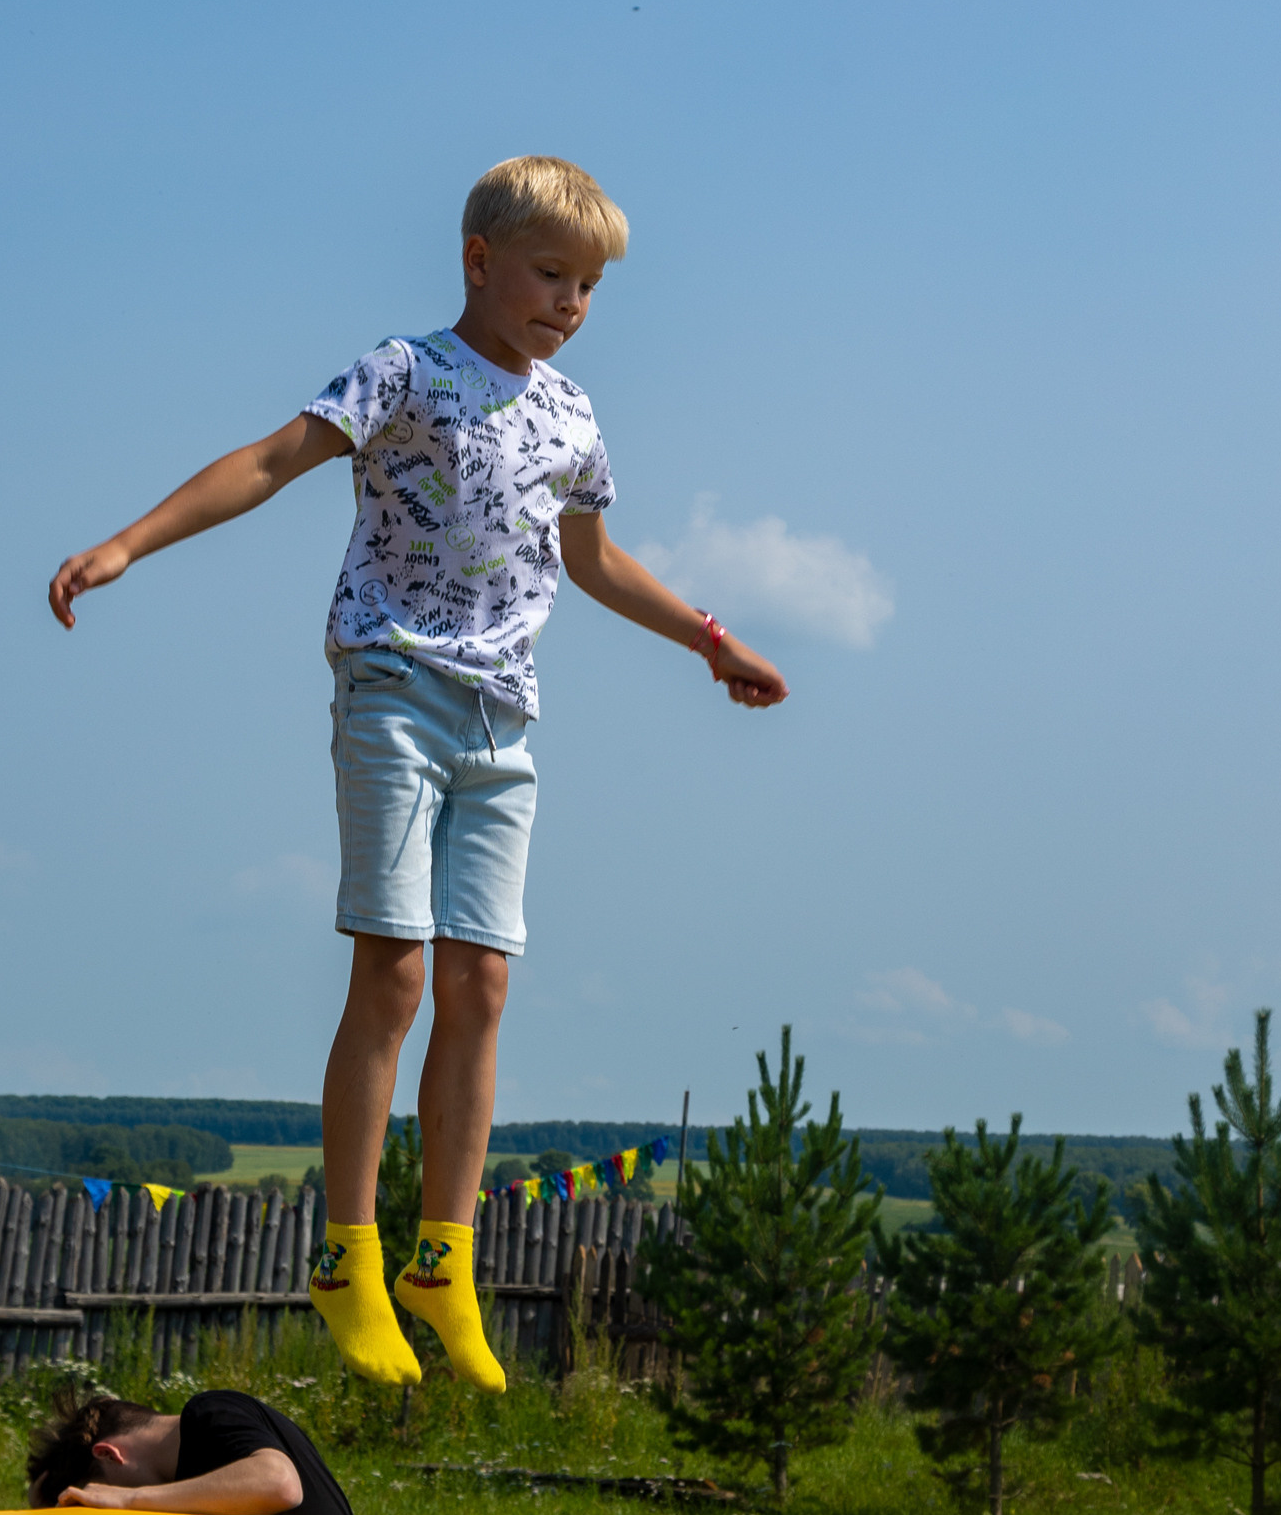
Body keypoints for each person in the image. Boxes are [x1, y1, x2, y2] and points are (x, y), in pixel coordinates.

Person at [49, 155, 787, 1395]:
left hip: (503, 722)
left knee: (479, 986)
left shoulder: (573, 416)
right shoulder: (404, 372)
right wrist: (127, 544)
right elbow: (269, 460)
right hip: (392, 682)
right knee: (392, 971)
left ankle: (443, 1263)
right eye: (549, 274)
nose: (569, 303)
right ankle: (348, 1255)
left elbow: (595, 564)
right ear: (477, 261)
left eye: (589, 286)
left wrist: (709, 642)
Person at [26, 1385, 353, 1515]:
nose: (107, 1505)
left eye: (100, 1492)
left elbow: (279, 1483)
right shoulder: (187, 1487)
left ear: (109, 1454)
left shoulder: (208, 1412)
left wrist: (128, 1498)